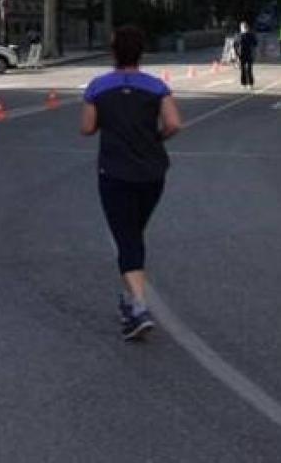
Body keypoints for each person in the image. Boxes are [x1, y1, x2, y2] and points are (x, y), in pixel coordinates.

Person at [81, 25, 182, 342]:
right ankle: (129, 299)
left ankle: (138, 306)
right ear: (141, 53)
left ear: (113, 52)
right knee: (134, 233)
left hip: (115, 171)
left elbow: (87, 127)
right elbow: (174, 123)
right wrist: (155, 137)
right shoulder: (156, 87)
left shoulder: (98, 87)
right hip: (152, 172)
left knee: (126, 238)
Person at [237, 21, 258, 88]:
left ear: (247, 27)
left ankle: (250, 83)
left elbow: (255, 43)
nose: (244, 28)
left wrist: (253, 51)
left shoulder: (250, 35)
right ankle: (243, 83)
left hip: (249, 54)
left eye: (245, 27)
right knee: (242, 69)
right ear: (241, 28)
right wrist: (236, 55)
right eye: (243, 27)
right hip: (241, 55)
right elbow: (235, 45)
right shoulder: (238, 35)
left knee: (249, 69)